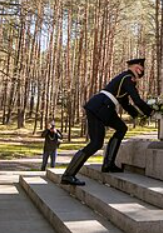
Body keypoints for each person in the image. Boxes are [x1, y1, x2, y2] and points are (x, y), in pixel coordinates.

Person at [61, 58, 154, 186]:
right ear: (136, 67)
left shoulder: (125, 79)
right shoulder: (127, 78)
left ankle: (108, 164)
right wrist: (151, 112)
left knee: (121, 128)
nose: (142, 71)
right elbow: (136, 100)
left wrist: (138, 116)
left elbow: (125, 103)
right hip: (99, 107)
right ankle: (68, 175)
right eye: (141, 67)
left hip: (106, 108)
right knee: (96, 144)